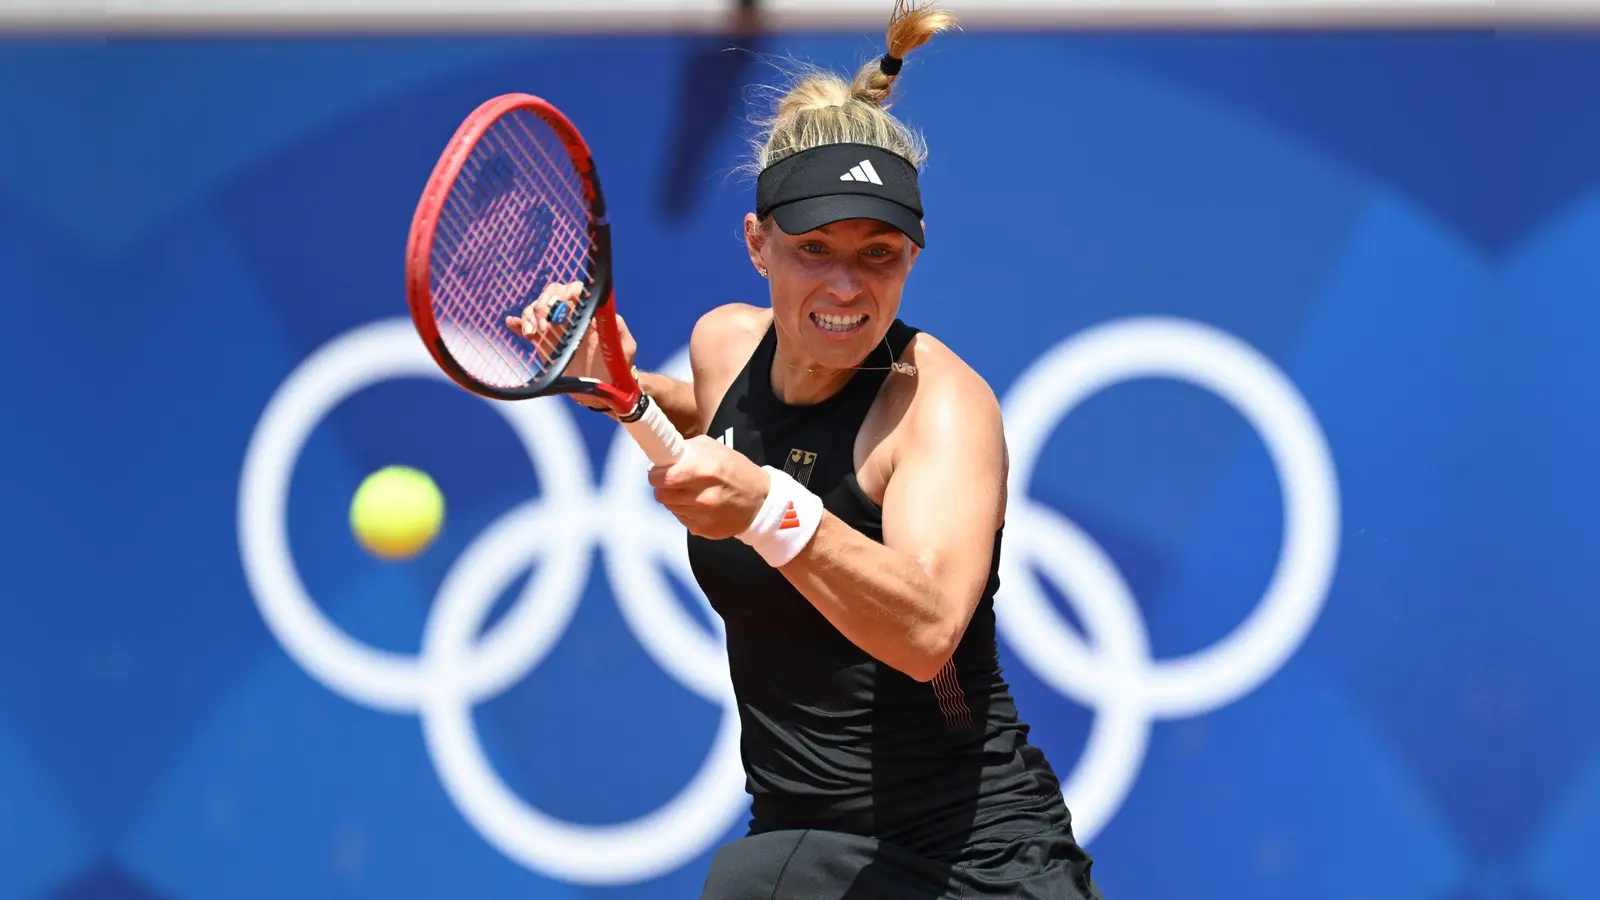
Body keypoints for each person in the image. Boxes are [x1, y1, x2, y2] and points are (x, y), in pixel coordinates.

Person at [510, 3, 1103, 896]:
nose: (845, 284)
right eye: (813, 248)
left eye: (878, 254)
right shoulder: (724, 350)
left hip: (971, 864)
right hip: (807, 838)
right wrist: (606, 373)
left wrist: (768, 510)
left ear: (911, 256)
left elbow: (930, 631)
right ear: (758, 246)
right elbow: (716, 420)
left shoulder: (938, 407)